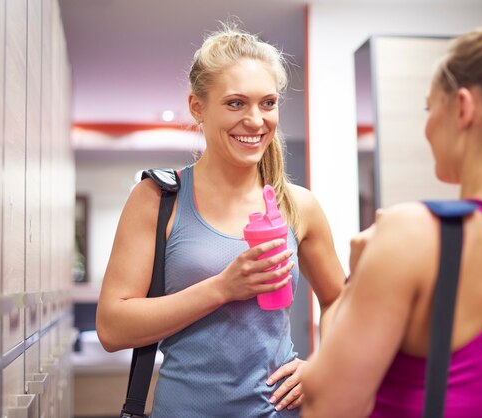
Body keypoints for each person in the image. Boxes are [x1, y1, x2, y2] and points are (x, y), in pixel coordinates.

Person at [302, 22, 482, 418]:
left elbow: (328, 405)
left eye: (429, 107)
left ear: (462, 107)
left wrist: (351, 289)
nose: (427, 126)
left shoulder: (414, 234)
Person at [96, 24, 345, 418]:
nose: (255, 120)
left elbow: (339, 301)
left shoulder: (298, 206)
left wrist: (325, 365)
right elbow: (112, 328)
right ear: (197, 107)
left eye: (268, 103)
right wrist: (224, 287)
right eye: (235, 104)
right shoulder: (157, 199)